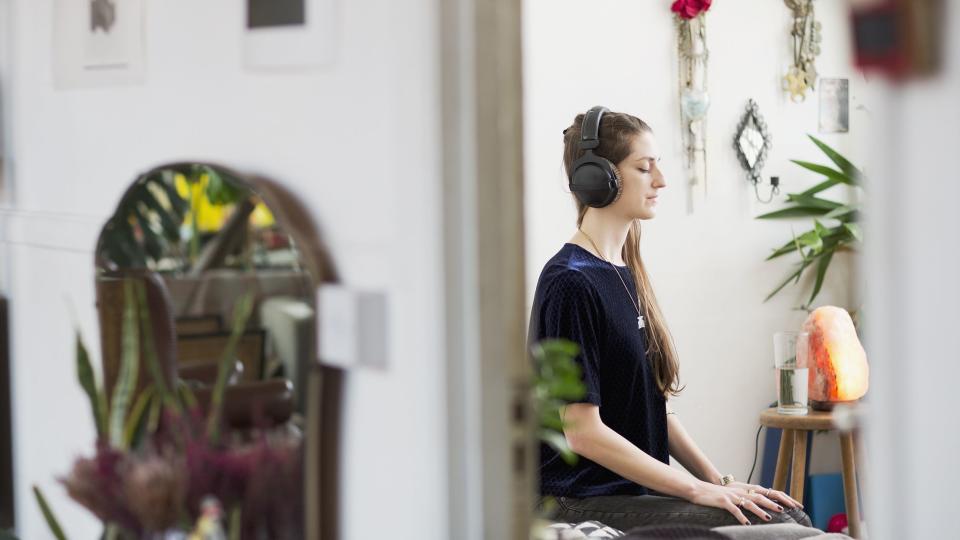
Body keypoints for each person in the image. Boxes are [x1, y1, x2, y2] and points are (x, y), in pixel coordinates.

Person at [529, 106, 811, 531]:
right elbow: (582, 432)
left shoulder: (622, 271)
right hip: (579, 501)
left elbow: (654, 408)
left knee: (781, 515)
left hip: (631, 495)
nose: (661, 181)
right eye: (645, 168)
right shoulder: (570, 282)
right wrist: (695, 490)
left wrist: (720, 482)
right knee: (779, 530)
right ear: (598, 180)